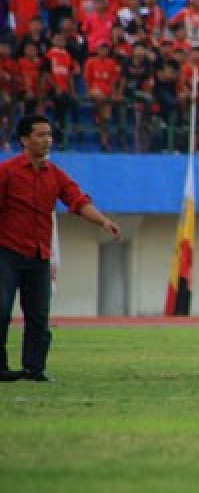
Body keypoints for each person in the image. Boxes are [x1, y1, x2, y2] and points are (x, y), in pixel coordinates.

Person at [0, 115, 120, 382]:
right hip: (6, 252)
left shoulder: (55, 174)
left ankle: (34, 369)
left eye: (50, 135)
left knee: (39, 317)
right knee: (1, 310)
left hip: (39, 254)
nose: (47, 140)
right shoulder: (6, 172)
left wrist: (102, 220)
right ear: (24, 140)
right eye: (41, 135)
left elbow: (77, 200)